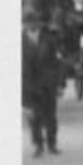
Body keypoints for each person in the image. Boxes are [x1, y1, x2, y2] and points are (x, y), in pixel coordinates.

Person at [22, 10, 66, 157]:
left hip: (48, 83)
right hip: (28, 85)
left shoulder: (49, 39)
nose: (31, 25)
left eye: (34, 21)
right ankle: (38, 144)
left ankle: (52, 144)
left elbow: (58, 63)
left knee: (50, 115)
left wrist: (60, 84)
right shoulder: (20, 40)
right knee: (33, 116)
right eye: (28, 22)